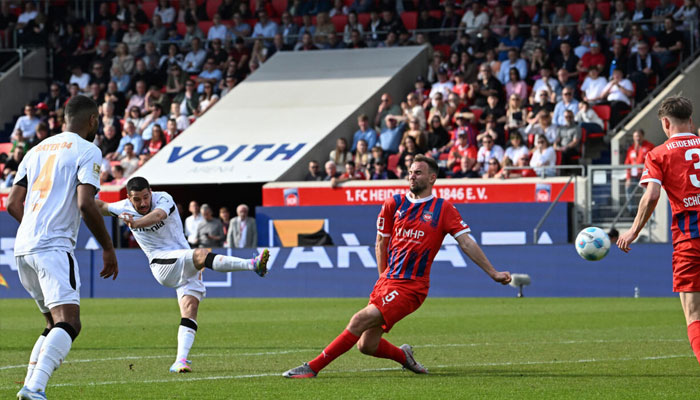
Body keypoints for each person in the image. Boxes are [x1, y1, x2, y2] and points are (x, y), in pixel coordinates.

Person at [283, 155, 511, 378]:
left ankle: (312, 367)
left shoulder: (443, 209)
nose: (412, 176)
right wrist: (383, 278)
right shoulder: (395, 203)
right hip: (388, 281)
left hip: (412, 286)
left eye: (418, 173)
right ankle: (404, 357)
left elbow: (466, 242)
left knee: (358, 320)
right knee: (367, 345)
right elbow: (381, 241)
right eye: (410, 172)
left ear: (432, 178)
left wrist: (493, 272)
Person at [95, 177, 268, 373]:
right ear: (128, 198)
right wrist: (77, 190)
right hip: (162, 264)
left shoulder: (163, 199)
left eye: (145, 197)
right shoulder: (122, 207)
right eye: (137, 200)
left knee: (190, 309)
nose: (143, 203)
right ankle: (253, 265)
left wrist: (135, 223)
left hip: (183, 260)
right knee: (202, 255)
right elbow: (99, 205)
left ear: (150, 192)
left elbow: (157, 216)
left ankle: (180, 361)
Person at [9, 96, 118, 400]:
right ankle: (35, 387)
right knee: (70, 322)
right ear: (93, 120)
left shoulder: (35, 150)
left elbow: (12, 204)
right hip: (53, 245)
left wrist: (35, 225)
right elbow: (85, 203)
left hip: (25, 244)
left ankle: (30, 385)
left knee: (51, 322)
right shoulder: (88, 150)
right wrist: (108, 247)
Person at [616, 96, 700, 366]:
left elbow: (651, 195)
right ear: (690, 120)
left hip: (691, 241)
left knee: (694, 315)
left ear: (665, 123)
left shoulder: (658, 154)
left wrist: (633, 230)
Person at [623, 129, 655, 212]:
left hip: (645, 175)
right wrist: (628, 178)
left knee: (649, 194)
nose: (637, 138)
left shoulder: (649, 146)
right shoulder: (631, 149)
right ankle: (632, 211)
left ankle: (649, 213)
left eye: (638, 136)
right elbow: (627, 163)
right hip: (634, 176)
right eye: (635, 137)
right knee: (628, 189)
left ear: (642, 136)